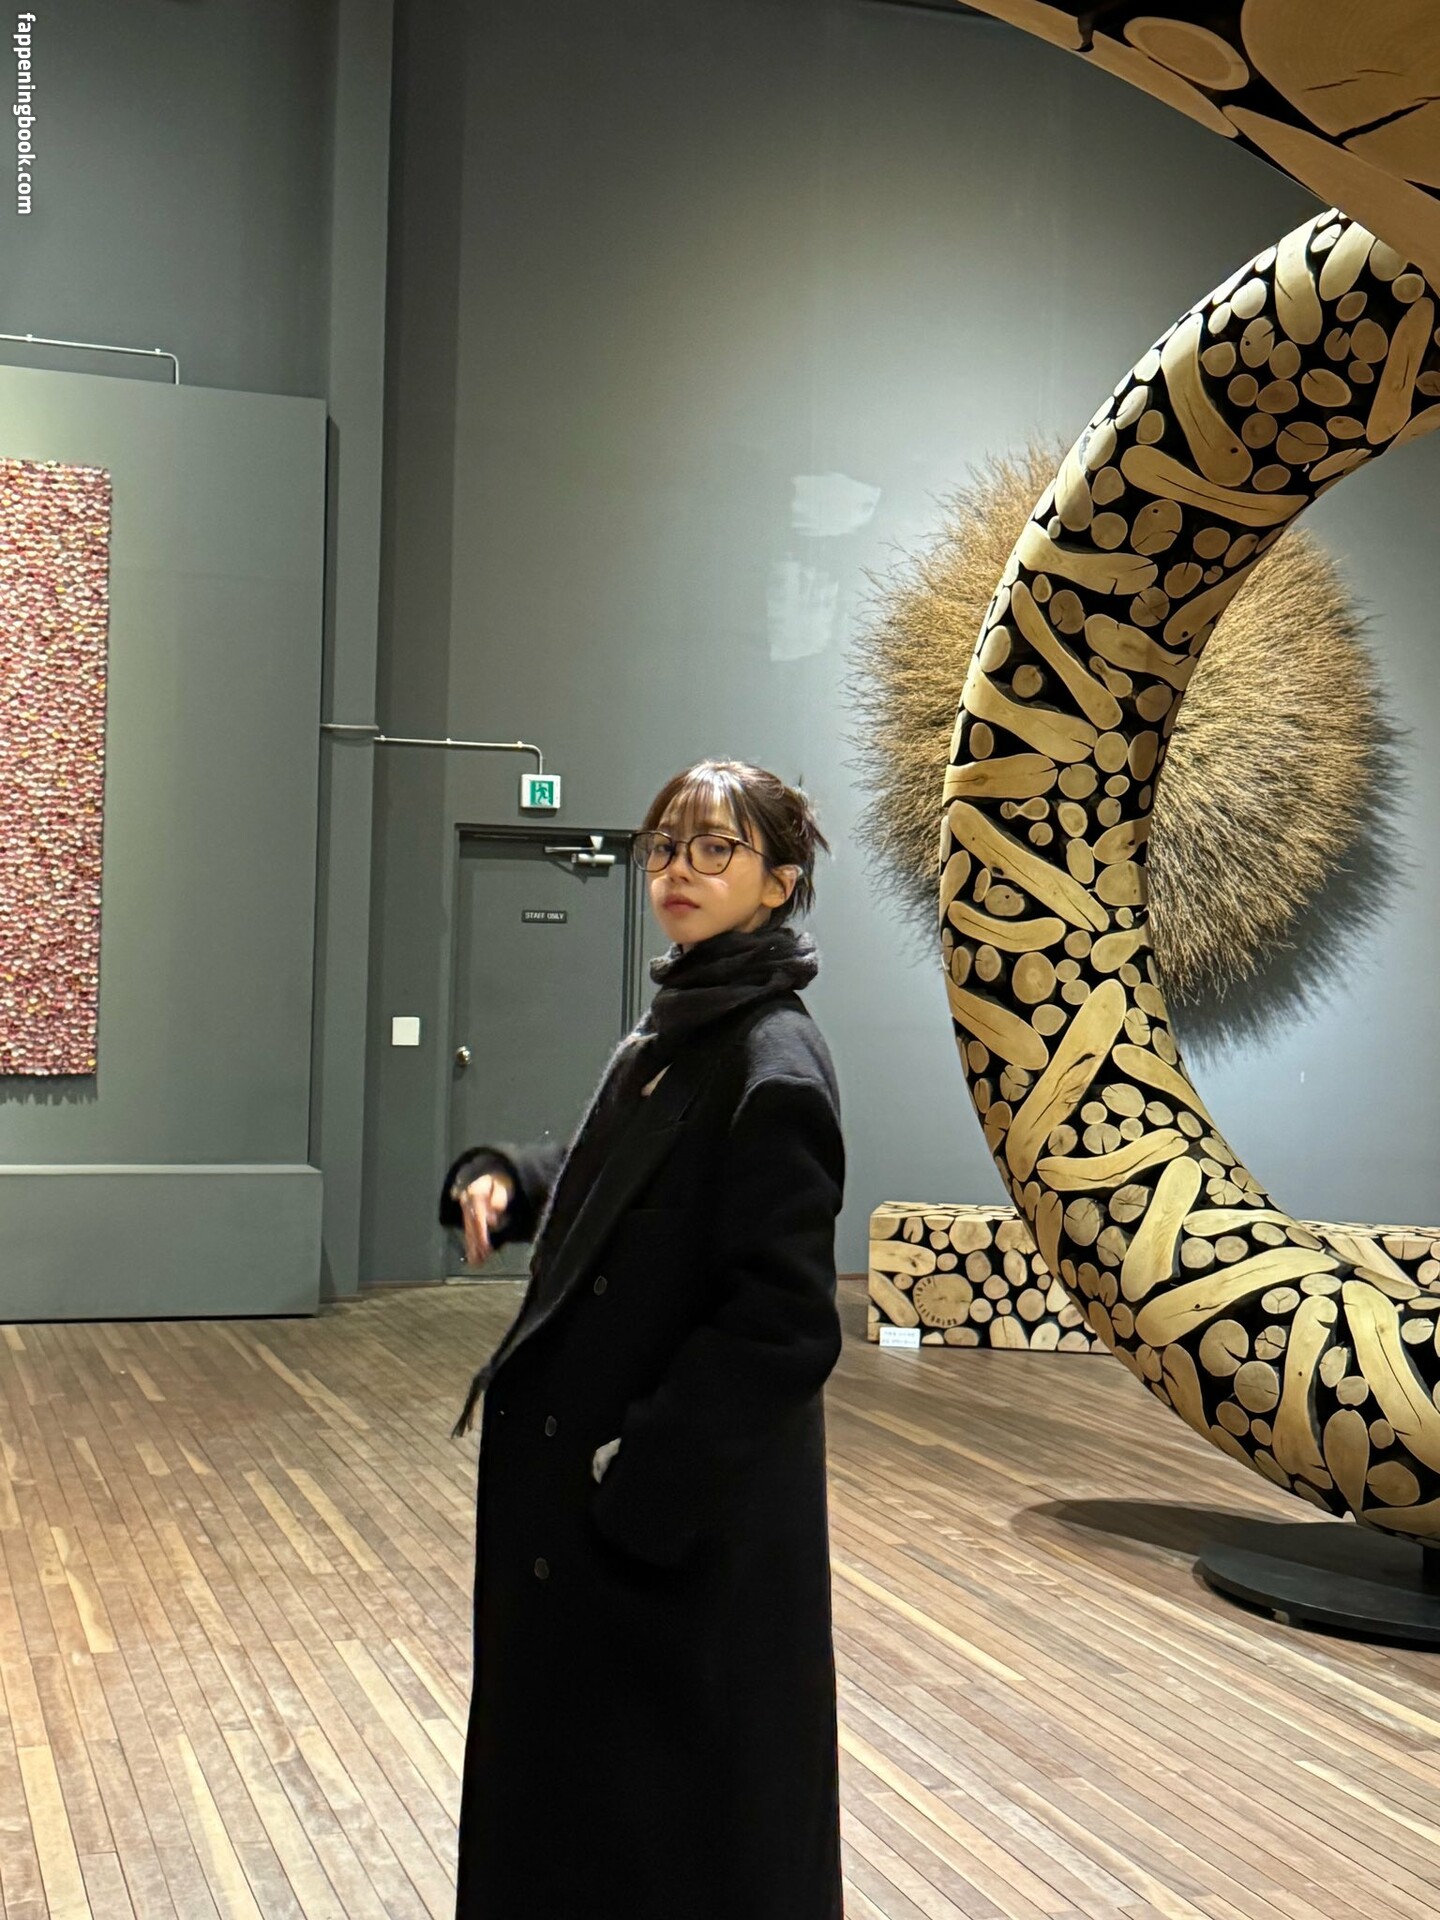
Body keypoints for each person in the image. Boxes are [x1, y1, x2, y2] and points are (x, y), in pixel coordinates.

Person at [438, 757, 847, 1920]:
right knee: (596, 1813)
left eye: (715, 848)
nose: (678, 869)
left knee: (672, 1833)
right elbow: (614, 1170)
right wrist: (512, 1180)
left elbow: (783, 1324)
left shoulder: (770, 1060)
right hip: (619, 1521)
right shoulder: (684, 1025)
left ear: (778, 881)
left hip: (672, 1541)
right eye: (664, 846)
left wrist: (639, 1486)